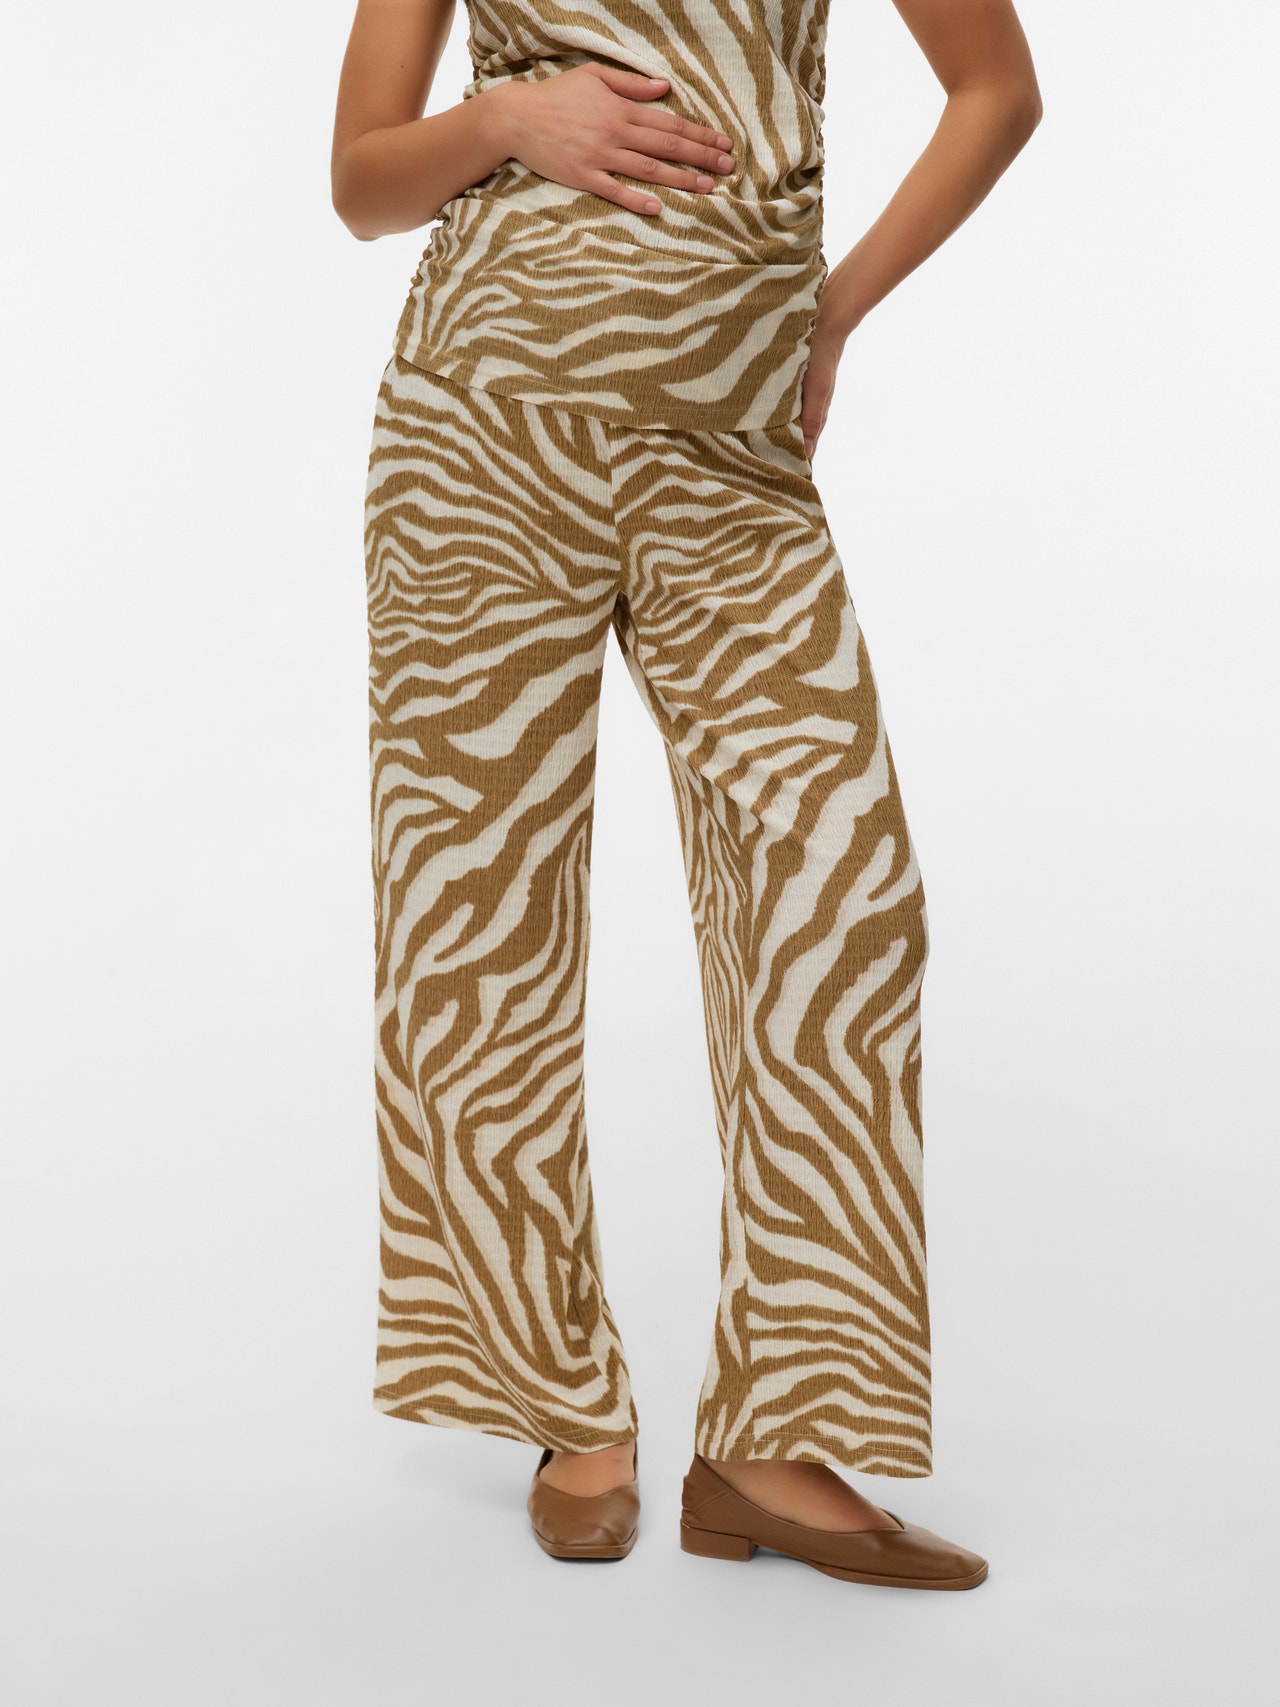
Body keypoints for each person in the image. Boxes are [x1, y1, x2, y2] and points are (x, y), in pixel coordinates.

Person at [331, 0, 1041, 1589]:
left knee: (842, 901)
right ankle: (557, 1401)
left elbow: (998, 91)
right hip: (480, 441)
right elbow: (362, 183)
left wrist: (831, 315)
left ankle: (777, 1439)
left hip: (732, 466)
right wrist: (508, 121)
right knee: (477, 921)